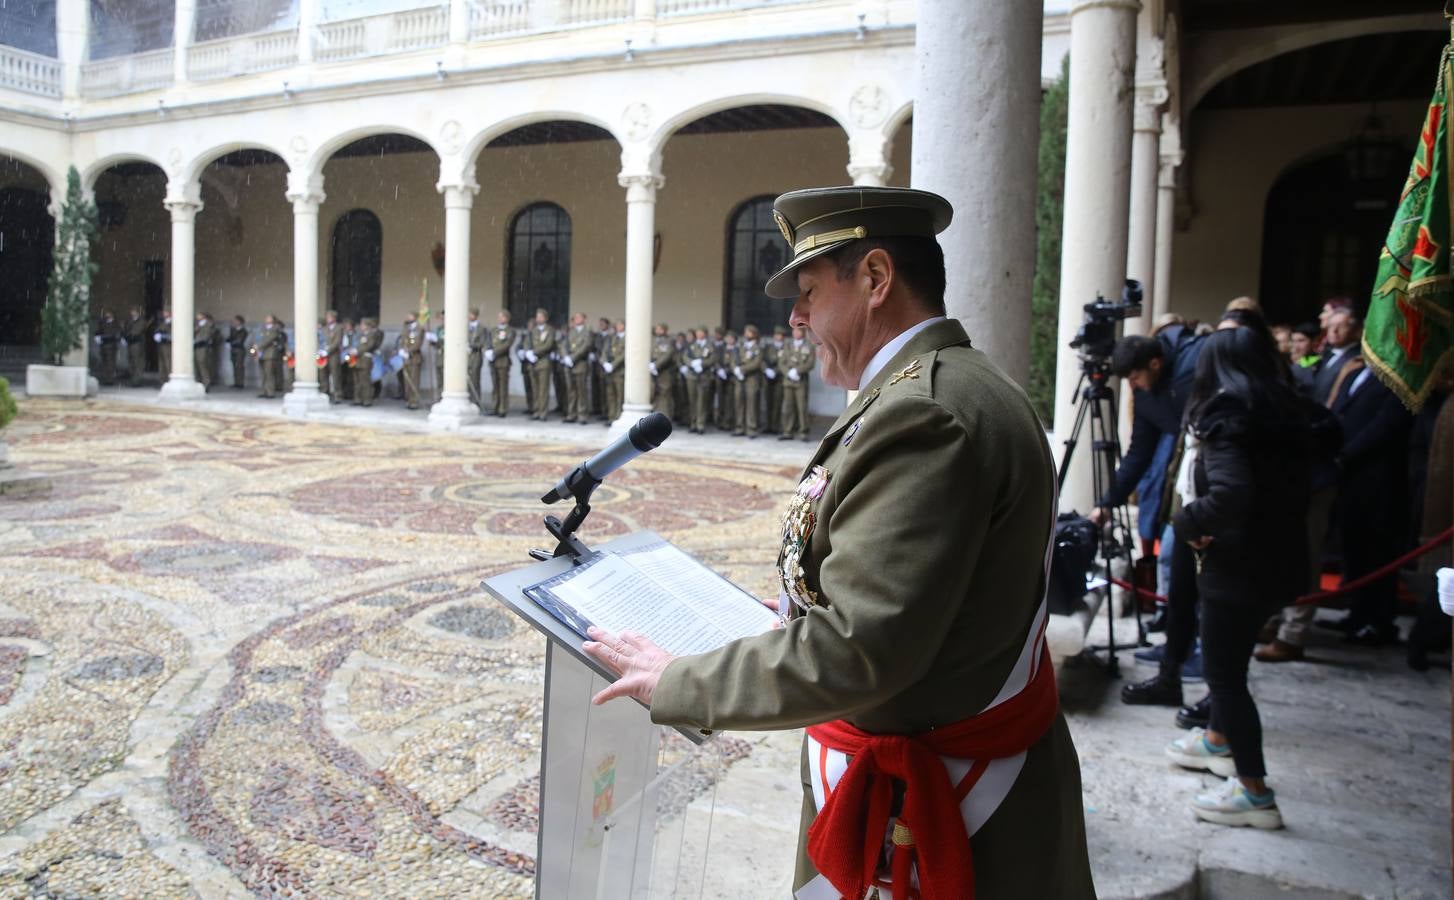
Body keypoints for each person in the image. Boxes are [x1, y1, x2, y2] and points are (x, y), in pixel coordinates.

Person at [583, 186, 1093, 898]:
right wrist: (797, 609)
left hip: (936, 808)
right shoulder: (948, 388)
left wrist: (679, 681)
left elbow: (860, 647)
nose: (794, 317)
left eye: (810, 292)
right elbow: (912, 596)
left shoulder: (923, 416)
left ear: (877, 279)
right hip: (932, 769)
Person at [1164, 326, 1313, 829]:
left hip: (1237, 567)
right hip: (1276, 563)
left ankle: (1254, 790)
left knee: (1225, 678)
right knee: (1234, 664)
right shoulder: (1286, 407)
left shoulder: (1228, 415)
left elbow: (1229, 494)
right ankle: (1218, 740)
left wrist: (1187, 522)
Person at [1095, 322, 1206, 709]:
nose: (1134, 387)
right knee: (1175, 565)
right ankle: (1176, 656)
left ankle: (1194, 656)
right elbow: (1138, 453)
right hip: (1183, 487)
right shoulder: (1146, 395)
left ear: (1156, 363)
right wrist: (1108, 502)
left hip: (1205, 489)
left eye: (1137, 377)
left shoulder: (1194, 373)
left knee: (1186, 563)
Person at [1321, 335, 1414, 645]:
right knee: (1354, 548)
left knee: (1378, 552)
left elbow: (1386, 425)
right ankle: (1357, 613)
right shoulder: (1358, 373)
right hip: (1350, 478)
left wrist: (1346, 454)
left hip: (1378, 480)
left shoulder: (1399, 380)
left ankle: (1378, 620)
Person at [1310, 309, 1362, 406]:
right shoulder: (1326, 355)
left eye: (1341, 326)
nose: (1334, 330)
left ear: (1355, 330)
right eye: (1331, 326)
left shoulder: (1358, 359)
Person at [778, 323, 815, 440]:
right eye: (793, 331)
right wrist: (788, 372)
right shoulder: (787, 345)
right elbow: (781, 362)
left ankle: (804, 432)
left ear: (802, 333)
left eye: (797, 331)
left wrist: (798, 371)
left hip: (801, 381)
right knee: (787, 407)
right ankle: (787, 431)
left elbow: (810, 363)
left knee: (801, 407)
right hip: (788, 380)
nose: (795, 333)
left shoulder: (809, 345)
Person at [563, 312, 593, 424]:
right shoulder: (571, 331)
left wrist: (573, 358)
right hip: (569, 365)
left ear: (584, 319)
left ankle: (582, 415)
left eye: (579, 317)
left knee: (581, 391)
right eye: (575, 318)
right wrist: (565, 356)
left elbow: (586, 346)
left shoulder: (587, 332)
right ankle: (571, 414)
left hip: (580, 364)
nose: (576, 319)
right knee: (571, 391)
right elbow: (564, 345)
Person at [527, 308, 556, 421]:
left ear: (545, 318)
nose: (537, 318)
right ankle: (536, 410)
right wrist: (528, 352)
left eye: (540, 316)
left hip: (543, 362)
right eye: (537, 316)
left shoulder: (550, 330)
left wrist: (534, 352)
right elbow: (527, 342)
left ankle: (543, 412)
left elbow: (548, 345)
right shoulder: (534, 330)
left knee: (543, 389)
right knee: (535, 388)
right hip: (533, 362)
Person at [686, 327, 714, 433]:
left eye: (701, 332)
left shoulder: (709, 346)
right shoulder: (692, 345)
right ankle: (693, 423)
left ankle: (700, 424)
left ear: (705, 334)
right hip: (691, 375)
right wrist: (692, 363)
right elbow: (685, 356)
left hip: (703, 376)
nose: (699, 334)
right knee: (692, 400)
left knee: (702, 401)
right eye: (697, 332)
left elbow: (712, 358)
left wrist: (702, 363)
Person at [487, 310, 514, 417]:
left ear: (507, 319)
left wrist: (494, 352)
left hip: (503, 361)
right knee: (495, 386)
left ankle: (503, 409)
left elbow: (507, 344)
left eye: (502, 317)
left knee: (503, 386)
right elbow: (489, 342)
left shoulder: (510, 331)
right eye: (499, 317)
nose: (499, 319)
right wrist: (488, 350)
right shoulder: (494, 330)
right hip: (493, 361)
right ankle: (495, 407)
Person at [252, 315, 286, 398]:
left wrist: (258, 346)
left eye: (269, 318)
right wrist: (255, 347)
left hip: (270, 354)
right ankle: (264, 391)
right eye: (266, 317)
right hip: (261, 353)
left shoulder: (275, 329)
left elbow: (269, 339)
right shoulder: (263, 329)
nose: (266, 319)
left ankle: (270, 392)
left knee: (269, 373)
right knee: (262, 374)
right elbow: (259, 338)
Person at [352, 318, 383, 406]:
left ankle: (367, 400)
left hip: (365, 359)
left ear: (368, 326)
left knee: (365, 380)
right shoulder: (361, 335)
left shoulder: (371, 335)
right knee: (357, 380)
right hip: (358, 359)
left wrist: (357, 351)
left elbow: (369, 346)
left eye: (363, 325)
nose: (361, 326)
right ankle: (358, 398)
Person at [650, 322, 676, 419]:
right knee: (654, 394)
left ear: (665, 330)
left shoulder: (669, 341)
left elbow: (667, 355)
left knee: (664, 396)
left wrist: (656, 365)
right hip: (653, 371)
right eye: (657, 329)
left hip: (664, 372)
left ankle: (665, 418)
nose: (657, 331)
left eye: (660, 329)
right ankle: (655, 417)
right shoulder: (653, 340)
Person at [602, 319, 626, 423]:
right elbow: (604, 351)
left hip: (619, 370)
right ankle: (611, 417)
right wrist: (604, 363)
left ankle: (618, 417)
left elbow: (624, 354)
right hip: (609, 370)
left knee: (619, 394)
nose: (617, 327)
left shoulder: (627, 338)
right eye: (617, 325)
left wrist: (613, 364)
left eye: (620, 324)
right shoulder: (612, 338)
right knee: (610, 395)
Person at [94, 310, 121, 384]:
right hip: (103, 345)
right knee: (104, 363)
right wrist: (98, 336)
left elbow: (116, 334)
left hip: (111, 346)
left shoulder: (115, 324)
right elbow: (98, 331)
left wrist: (107, 337)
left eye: (109, 314)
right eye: (106, 314)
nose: (107, 315)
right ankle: (106, 378)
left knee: (111, 363)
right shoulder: (103, 323)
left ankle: (110, 379)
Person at [124, 306, 149, 386]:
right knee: (131, 361)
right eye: (132, 311)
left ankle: (137, 380)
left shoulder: (141, 321)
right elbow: (126, 330)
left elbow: (138, 331)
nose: (132, 313)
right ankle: (133, 379)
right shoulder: (130, 321)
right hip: (130, 343)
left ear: (137, 312)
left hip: (137, 344)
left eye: (134, 311)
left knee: (137, 362)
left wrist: (130, 335)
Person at [466, 308, 485, 410]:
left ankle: (476, 402)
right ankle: (468, 400)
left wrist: (471, 345)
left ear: (475, 315)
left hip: (476, 356)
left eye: (471, 315)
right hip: (467, 357)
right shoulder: (466, 327)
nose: (469, 317)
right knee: (467, 380)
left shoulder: (481, 328)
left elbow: (481, 343)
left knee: (475, 379)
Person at [193, 313, 217, 391]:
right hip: (196, 347)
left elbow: (206, 336)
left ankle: (206, 383)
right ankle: (198, 382)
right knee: (196, 365)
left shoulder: (208, 325)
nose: (197, 317)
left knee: (203, 365)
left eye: (199, 315)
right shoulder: (197, 325)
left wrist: (197, 340)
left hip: (202, 347)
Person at [228, 315, 250, 390]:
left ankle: (240, 382)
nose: (234, 322)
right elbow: (230, 338)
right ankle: (236, 382)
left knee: (239, 366)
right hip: (233, 349)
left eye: (236, 321)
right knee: (234, 366)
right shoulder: (233, 330)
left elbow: (240, 340)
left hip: (240, 350)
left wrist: (234, 341)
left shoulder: (243, 331)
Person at [155, 310, 173, 382]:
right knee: (161, 363)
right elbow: (158, 330)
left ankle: (169, 380)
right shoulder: (163, 322)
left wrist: (163, 336)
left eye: (166, 312)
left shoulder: (173, 322)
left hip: (168, 345)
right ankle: (162, 380)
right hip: (161, 345)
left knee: (168, 362)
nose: (164, 314)